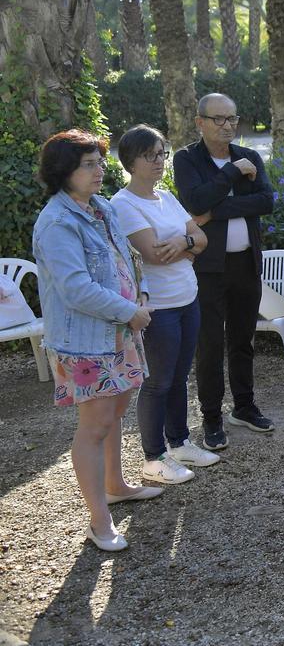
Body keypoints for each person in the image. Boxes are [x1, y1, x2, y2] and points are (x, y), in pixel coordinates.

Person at [33, 130, 159, 552]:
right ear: (62, 171)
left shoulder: (101, 207)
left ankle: (116, 485)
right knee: (95, 425)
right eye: (88, 164)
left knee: (116, 411)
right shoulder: (56, 222)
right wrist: (129, 310)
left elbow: (127, 260)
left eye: (99, 162)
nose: (99, 171)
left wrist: (138, 295)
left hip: (121, 331)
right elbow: (75, 289)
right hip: (88, 340)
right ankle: (99, 519)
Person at [111, 126, 218, 485]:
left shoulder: (166, 197)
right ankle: (153, 456)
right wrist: (186, 245)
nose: (159, 161)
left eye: (161, 153)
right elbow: (153, 255)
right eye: (150, 155)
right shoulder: (122, 204)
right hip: (158, 307)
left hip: (188, 298)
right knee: (158, 380)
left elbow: (201, 238)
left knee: (179, 375)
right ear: (130, 161)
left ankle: (179, 442)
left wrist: (183, 241)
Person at [174, 93, 275, 451]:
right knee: (211, 343)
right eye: (219, 119)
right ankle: (213, 417)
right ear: (199, 122)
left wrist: (216, 211)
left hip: (245, 263)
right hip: (207, 268)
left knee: (242, 339)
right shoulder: (187, 159)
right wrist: (231, 174)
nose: (227, 125)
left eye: (232, 118)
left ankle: (244, 407)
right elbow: (195, 201)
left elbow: (267, 201)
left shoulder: (250, 156)